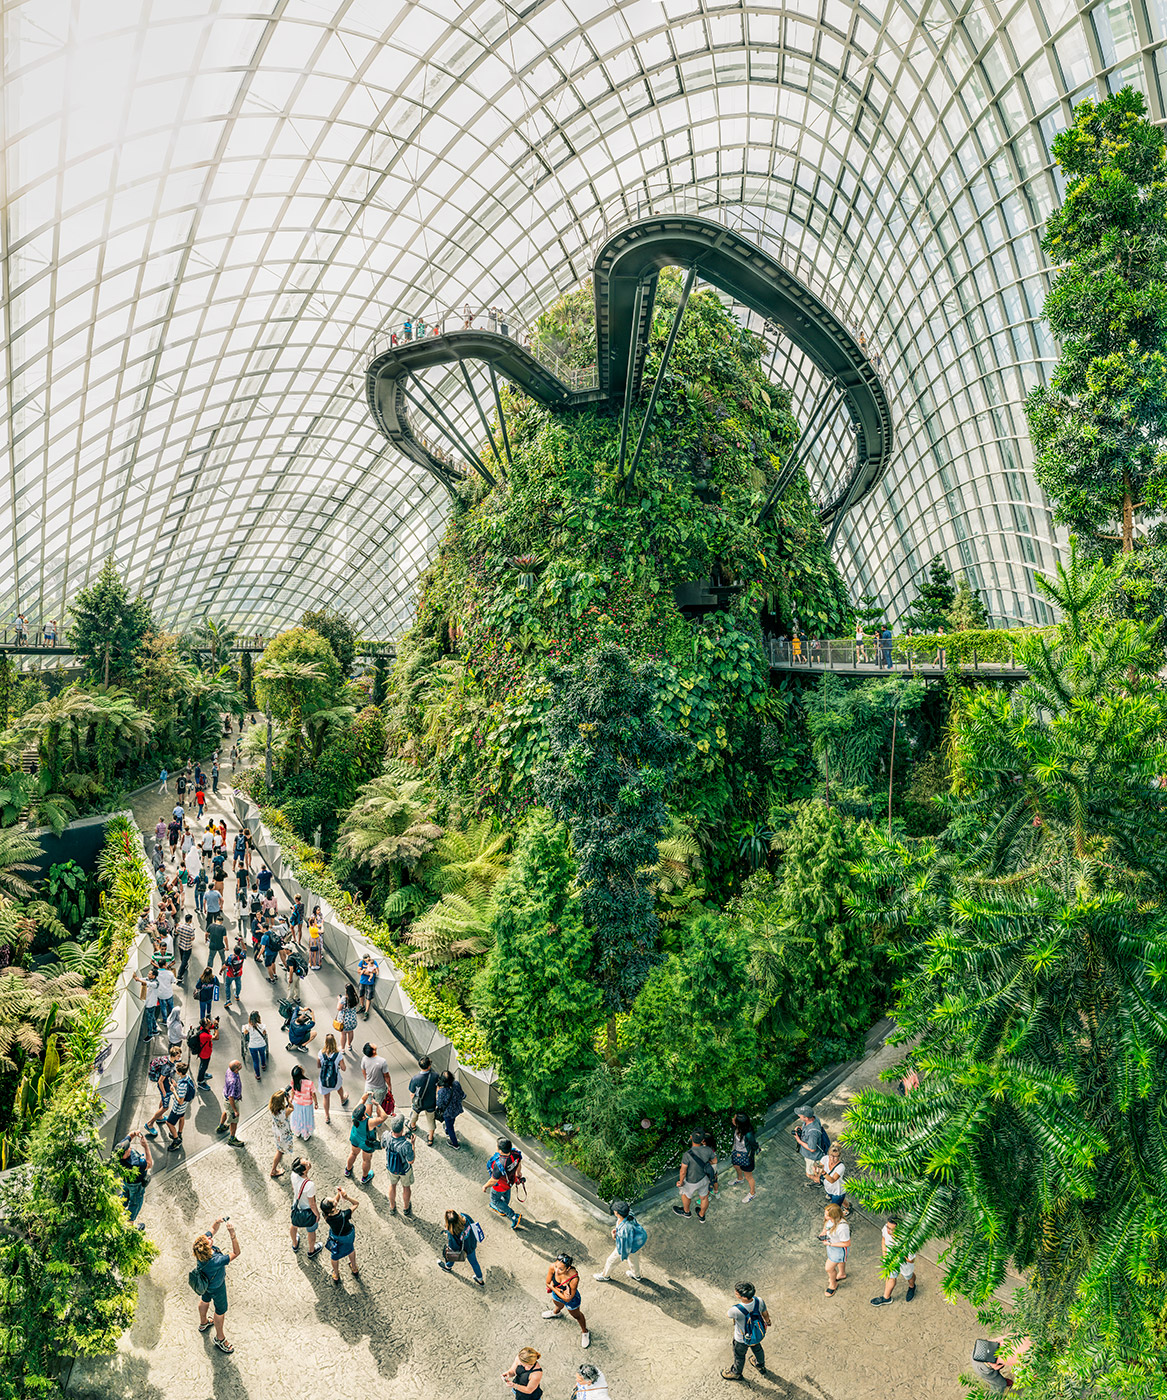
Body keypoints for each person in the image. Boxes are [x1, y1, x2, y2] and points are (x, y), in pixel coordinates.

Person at [192, 1218, 240, 1354]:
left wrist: (217, 1222)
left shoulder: (199, 1248)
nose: (209, 1238)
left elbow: (212, 1230)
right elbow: (236, 1253)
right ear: (208, 1250)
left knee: (204, 1300)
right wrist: (232, 1235)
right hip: (217, 1287)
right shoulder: (216, 1260)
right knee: (220, 1311)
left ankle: (203, 1322)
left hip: (205, 1283)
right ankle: (220, 1338)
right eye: (208, 1241)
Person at [721, 1280, 770, 1380]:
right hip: (756, 1334)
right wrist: (768, 1321)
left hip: (741, 1339)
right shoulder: (759, 1301)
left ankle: (736, 1373)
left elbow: (728, 1315)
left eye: (737, 1292)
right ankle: (760, 1365)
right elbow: (765, 1313)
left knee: (739, 1355)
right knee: (757, 1349)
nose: (735, 1292)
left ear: (743, 1297)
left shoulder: (735, 1310)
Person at [542, 1253, 590, 1348]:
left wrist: (553, 1287)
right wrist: (560, 1291)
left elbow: (568, 1299)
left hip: (572, 1301)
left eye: (561, 1269)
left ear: (568, 1268)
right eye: (556, 1266)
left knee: (577, 1315)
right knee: (558, 1305)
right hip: (556, 1296)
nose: (556, 1271)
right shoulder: (552, 1267)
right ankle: (556, 1313)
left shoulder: (574, 1278)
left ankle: (585, 1332)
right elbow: (547, 1283)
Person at [593, 1198, 646, 1282]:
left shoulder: (624, 1229)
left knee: (611, 1261)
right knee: (633, 1259)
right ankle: (636, 1275)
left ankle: (605, 1276)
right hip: (635, 1244)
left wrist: (614, 1236)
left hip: (627, 1245)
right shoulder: (629, 1214)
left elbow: (623, 1244)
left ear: (617, 1213)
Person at [673, 1127, 718, 1220]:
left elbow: (682, 1171)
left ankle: (686, 1212)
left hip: (691, 1181)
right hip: (704, 1179)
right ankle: (701, 1215)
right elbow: (714, 1161)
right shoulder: (708, 1150)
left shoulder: (687, 1155)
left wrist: (681, 1182)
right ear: (702, 1140)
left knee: (685, 1195)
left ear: (691, 1137)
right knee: (704, 1198)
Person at [871, 1215, 916, 1305]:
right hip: (891, 1260)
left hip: (904, 1263)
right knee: (890, 1277)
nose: (888, 1231)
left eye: (891, 1229)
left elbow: (911, 1260)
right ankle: (886, 1297)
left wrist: (899, 1249)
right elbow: (883, 1241)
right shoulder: (886, 1229)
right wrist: (885, 1256)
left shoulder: (908, 1241)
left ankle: (912, 1286)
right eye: (888, 1227)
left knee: (908, 1276)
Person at [320, 1186, 361, 1284]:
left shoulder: (326, 1216)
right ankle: (354, 1267)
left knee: (334, 1256)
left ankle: (336, 1273)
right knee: (351, 1249)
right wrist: (346, 1197)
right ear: (334, 1205)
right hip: (348, 1235)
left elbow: (334, 1203)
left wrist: (339, 1194)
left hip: (336, 1237)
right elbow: (356, 1203)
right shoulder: (345, 1214)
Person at [483, 1136, 524, 1229]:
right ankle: (502, 1209)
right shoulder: (516, 1154)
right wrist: (518, 1173)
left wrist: (485, 1186)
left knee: (495, 1200)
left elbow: (494, 1180)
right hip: (510, 1181)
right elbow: (519, 1164)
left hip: (500, 1186)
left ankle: (513, 1216)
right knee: (505, 1196)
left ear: (500, 1151)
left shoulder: (499, 1164)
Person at [345, 1097, 387, 1185]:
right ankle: (365, 1177)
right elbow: (384, 1117)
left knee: (353, 1154)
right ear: (363, 1116)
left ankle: (347, 1170)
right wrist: (377, 1105)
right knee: (366, 1160)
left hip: (355, 1138)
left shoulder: (354, 1114)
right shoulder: (369, 1122)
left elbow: (362, 1100)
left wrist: (367, 1093)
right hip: (366, 1143)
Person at [143, 1045, 182, 1138]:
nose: (180, 1057)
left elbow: (169, 1074)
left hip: (167, 1085)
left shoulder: (170, 1061)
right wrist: (164, 1092)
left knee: (163, 1102)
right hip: (165, 1087)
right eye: (178, 1056)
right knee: (165, 1107)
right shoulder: (167, 1066)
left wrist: (172, 1080)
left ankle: (159, 1117)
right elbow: (160, 1081)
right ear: (173, 1055)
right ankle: (149, 1124)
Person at [438, 1208, 484, 1284]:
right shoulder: (465, 1217)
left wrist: (448, 1234)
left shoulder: (452, 1233)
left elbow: (454, 1247)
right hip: (471, 1244)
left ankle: (448, 1267)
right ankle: (480, 1279)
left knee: (453, 1255)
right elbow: (473, 1225)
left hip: (464, 1249)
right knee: (474, 1263)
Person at [289, 1154, 322, 1256]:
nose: (308, 1162)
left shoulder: (293, 1175)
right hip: (308, 1211)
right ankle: (311, 1250)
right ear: (303, 1171)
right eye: (306, 1163)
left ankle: (295, 1244)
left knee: (294, 1225)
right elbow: (312, 1204)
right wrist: (317, 1214)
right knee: (311, 1231)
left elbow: (293, 1189)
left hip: (297, 1206)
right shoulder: (309, 1185)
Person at [117, 1131, 153, 1225]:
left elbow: (129, 1136)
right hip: (136, 1186)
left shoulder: (117, 1151)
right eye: (128, 1148)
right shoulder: (136, 1164)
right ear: (124, 1154)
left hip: (126, 1182)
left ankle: (116, 1216)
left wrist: (135, 1133)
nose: (130, 1147)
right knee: (135, 1204)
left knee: (124, 1197)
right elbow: (149, 1164)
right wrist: (146, 1146)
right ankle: (129, 1225)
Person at [383, 1114, 415, 1215]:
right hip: (404, 1170)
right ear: (402, 1129)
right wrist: (413, 1144)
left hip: (391, 1168)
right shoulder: (406, 1145)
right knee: (406, 1187)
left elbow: (383, 1146)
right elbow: (411, 1161)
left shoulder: (386, 1135)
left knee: (392, 1185)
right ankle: (406, 1208)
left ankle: (392, 1207)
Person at [317, 1034, 348, 1124]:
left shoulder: (320, 1053)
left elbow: (318, 1065)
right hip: (335, 1078)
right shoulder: (338, 1054)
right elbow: (344, 1068)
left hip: (324, 1079)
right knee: (339, 1088)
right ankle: (343, 1099)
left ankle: (327, 1116)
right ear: (334, 1042)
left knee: (326, 1097)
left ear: (325, 1042)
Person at [821, 1201, 850, 1295]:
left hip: (839, 1250)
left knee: (829, 1268)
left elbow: (846, 1243)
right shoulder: (831, 1221)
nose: (825, 1216)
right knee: (840, 1262)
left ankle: (833, 1284)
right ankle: (842, 1274)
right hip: (832, 1245)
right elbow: (826, 1226)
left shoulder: (842, 1228)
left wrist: (830, 1244)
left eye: (827, 1215)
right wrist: (823, 1232)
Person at [793, 1105, 829, 1182]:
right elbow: (808, 1128)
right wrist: (801, 1129)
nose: (798, 1115)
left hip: (813, 1158)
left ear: (806, 1118)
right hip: (814, 1155)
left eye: (800, 1115)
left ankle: (820, 1182)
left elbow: (812, 1149)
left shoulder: (813, 1132)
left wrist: (798, 1140)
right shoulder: (814, 1118)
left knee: (809, 1174)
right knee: (817, 1171)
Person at [408, 1055, 439, 1145]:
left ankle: (413, 1126)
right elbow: (438, 1088)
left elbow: (412, 1093)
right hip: (431, 1102)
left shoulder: (415, 1078)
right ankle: (430, 1138)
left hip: (419, 1103)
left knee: (414, 1115)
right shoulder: (435, 1076)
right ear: (429, 1066)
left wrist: (413, 1102)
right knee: (431, 1120)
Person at [166, 1060, 196, 1151]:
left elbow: (180, 1101)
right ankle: (179, 1133)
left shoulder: (183, 1085)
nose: (175, 1071)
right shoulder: (187, 1078)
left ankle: (176, 1140)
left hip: (178, 1108)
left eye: (176, 1070)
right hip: (184, 1108)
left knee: (169, 1123)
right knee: (182, 1117)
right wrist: (176, 1085)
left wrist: (173, 1091)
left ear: (179, 1072)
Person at [729, 1111, 759, 1202]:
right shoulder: (737, 1128)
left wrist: (753, 1152)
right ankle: (739, 1178)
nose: (732, 1119)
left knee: (748, 1176)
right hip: (736, 1153)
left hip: (746, 1157)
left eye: (734, 1119)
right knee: (736, 1166)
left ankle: (752, 1193)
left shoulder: (748, 1134)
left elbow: (754, 1144)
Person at [215, 1059, 244, 1144]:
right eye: (239, 1065)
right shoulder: (233, 1081)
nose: (241, 1065)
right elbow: (231, 1097)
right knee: (233, 1121)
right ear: (236, 1070)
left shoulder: (229, 1070)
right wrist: (235, 1110)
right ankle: (232, 1139)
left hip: (225, 1096)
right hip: (231, 1101)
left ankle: (221, 1126)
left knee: (226, 1110)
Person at [360, 1042, 394, 1115]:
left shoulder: (364, 1059)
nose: (371, 1043)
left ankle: (369, 1119)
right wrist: (389, 1086)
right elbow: (386, 1076)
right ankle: (379, 1119)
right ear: (373, 1051)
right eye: (371, 1045)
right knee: (379, 1105)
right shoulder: (382, 1061)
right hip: (380, 1088)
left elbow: (363, 1071)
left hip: (368, 1087)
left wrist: (367, 1080)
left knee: (369, 1104)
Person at [816, 1142, 849, 1216]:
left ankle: (838, 1216)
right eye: (831, 1155)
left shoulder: (841, 1167)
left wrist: (823, 1172)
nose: (832, 1158)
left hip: (838, 1191)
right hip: (828, 1188)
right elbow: (820, 1167)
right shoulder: (825, 1158)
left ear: (839, 1156)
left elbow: (832, 1180)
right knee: (841, 1200)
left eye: (835, 1156)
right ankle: (847, 1206)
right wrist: (817, 1172)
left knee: (834, 1210)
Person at [435, 1068, 464, 1149]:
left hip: (447, 1113)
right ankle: (447, 1130)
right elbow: (462, 1095)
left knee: (451, 1128)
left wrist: (437, 1092)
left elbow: (439, 1104)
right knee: (452, 1121)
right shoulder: (456, 1084)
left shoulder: (442, 1091)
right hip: (456, 1109)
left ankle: (455, 1144)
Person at [269, 1089, 293, 1178]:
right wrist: (288, 1100)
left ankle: (279, 1155)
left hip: (277, 1131)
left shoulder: (272, 1108)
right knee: (279, 1151)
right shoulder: (284, 1112)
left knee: (279, 1147)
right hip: (283, 1134)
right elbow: (292, 1108)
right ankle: (273, 1170)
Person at [289, 1063, 317, 1140]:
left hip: (296, 1103)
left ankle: (297, 1131)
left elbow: (292, 1091)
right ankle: (306, 1134)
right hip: (307, 1104)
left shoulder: (293, 1081)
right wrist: (316, 1103)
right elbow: (313, 1094)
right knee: (306, 1119)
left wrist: (291, 1099)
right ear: (301, 1072)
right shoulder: (309, 1083)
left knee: (298, 1118)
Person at [133, 964, 161, 1039]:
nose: (148, 975)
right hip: (148, 1002)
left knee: (149, 1019)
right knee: (152, 1017)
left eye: (149, 974)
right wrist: (136, 978)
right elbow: (142, 980)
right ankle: (155, 1030)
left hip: (151, 1004)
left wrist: (138, 979)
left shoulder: (156, 983)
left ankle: (150, 1034)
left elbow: (147, 983)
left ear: (153, 976)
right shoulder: (148, 979)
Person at [245, 1010, 269, 1078]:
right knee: (262, 1055)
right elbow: (264, 1033)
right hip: (261, 1044)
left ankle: (258, 1075)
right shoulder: (262, 1026)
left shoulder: (248, 1027)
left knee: (255, 1061)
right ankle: (263, 1065)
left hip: (252, 1046)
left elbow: (245, 1033)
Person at [336, 984, 359, 1051]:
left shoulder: (344, 998)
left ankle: (342, 1048)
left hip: (344, 1021)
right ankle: (349, 1045)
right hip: (352, 1020)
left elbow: (339, 1008)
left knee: (343, 1034)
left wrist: (339, 1000)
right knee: (351, 1032)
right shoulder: (355, 997)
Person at [223, 942, 245, 1008]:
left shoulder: (231, 957)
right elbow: (245, 949)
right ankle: (237, 995)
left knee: (227, 985)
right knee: (238, 985)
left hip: (230, 974)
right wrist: (241, 942)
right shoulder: (242, 956)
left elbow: (225, 966)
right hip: (239, 973)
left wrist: (221, 970)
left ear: (233, 950)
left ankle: (228, 1000)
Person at [175, 915, 196, 984]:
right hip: (187, 947)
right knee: (184, 962)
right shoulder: (191, 929)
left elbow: (176, 931)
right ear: (190, 920)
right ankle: (179, 976)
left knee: (182, 958)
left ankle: (185, 965)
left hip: (180, 945)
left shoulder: (180, 926)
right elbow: (192, 938)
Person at [195, 1016, 215, 1085]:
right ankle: (200, 1081)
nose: (211, 1023)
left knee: (203, 1065)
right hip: (205, 1054)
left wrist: (215, 1025)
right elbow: (216, 1037)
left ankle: (203, 1074)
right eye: (209, 1023)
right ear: (206, 1025)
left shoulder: (202, 1028)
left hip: (203, 1052)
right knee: (203, 1066)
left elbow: (211, 1027)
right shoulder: (204, 1035)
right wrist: (216, 1028)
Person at [357, 953, 379, 1018]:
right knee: (361, 994)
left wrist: (369, 972)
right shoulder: (362, 962)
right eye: (366, 960)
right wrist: (364, 972)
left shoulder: (373, 962)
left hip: (370, 983)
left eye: (368, 959)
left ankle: (366, 1011)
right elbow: (358, 971)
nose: (367, 961)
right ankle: (362, 1006)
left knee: (368, 997)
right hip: (362, 981)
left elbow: (376, 970)